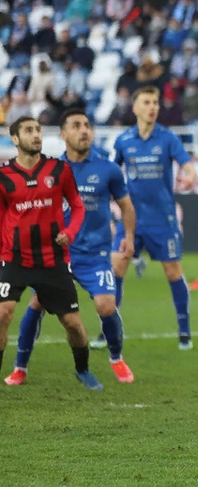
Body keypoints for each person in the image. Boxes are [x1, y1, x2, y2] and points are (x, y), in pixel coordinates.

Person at [5, 110, 137, 386]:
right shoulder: (50, 168)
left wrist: (128, 236)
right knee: (36, 303)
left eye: (88, 125)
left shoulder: (107, 169)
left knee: (105, 306)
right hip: (54, 255)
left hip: (95, 254)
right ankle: (20, 367)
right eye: (77, 126)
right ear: (63, 135)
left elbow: (125, 205)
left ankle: (116, 358)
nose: (85, 131)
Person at [0, 117, 100, 390]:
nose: (36, 135)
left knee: (73, 325)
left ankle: (83, 369)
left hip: (52, 260)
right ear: (15, 139)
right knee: (2, 314)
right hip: (16, 259)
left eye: (38, 130)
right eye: (28, 131)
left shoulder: (59, 170)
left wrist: (70, 232)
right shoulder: (3, 177)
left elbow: (78, 206)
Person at [110, 86, 198, 350]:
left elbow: (186, 163)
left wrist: (191, 175)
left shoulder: (168, 138)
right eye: (147, 102)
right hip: (131, 220)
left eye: (156, 102)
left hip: (163, 220)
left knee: (173, 273)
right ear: (135, 108)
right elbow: (113, 172)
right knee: (117, 268)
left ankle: (184, 331)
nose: (153, 107)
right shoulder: (123, 140)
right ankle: (109, 330)